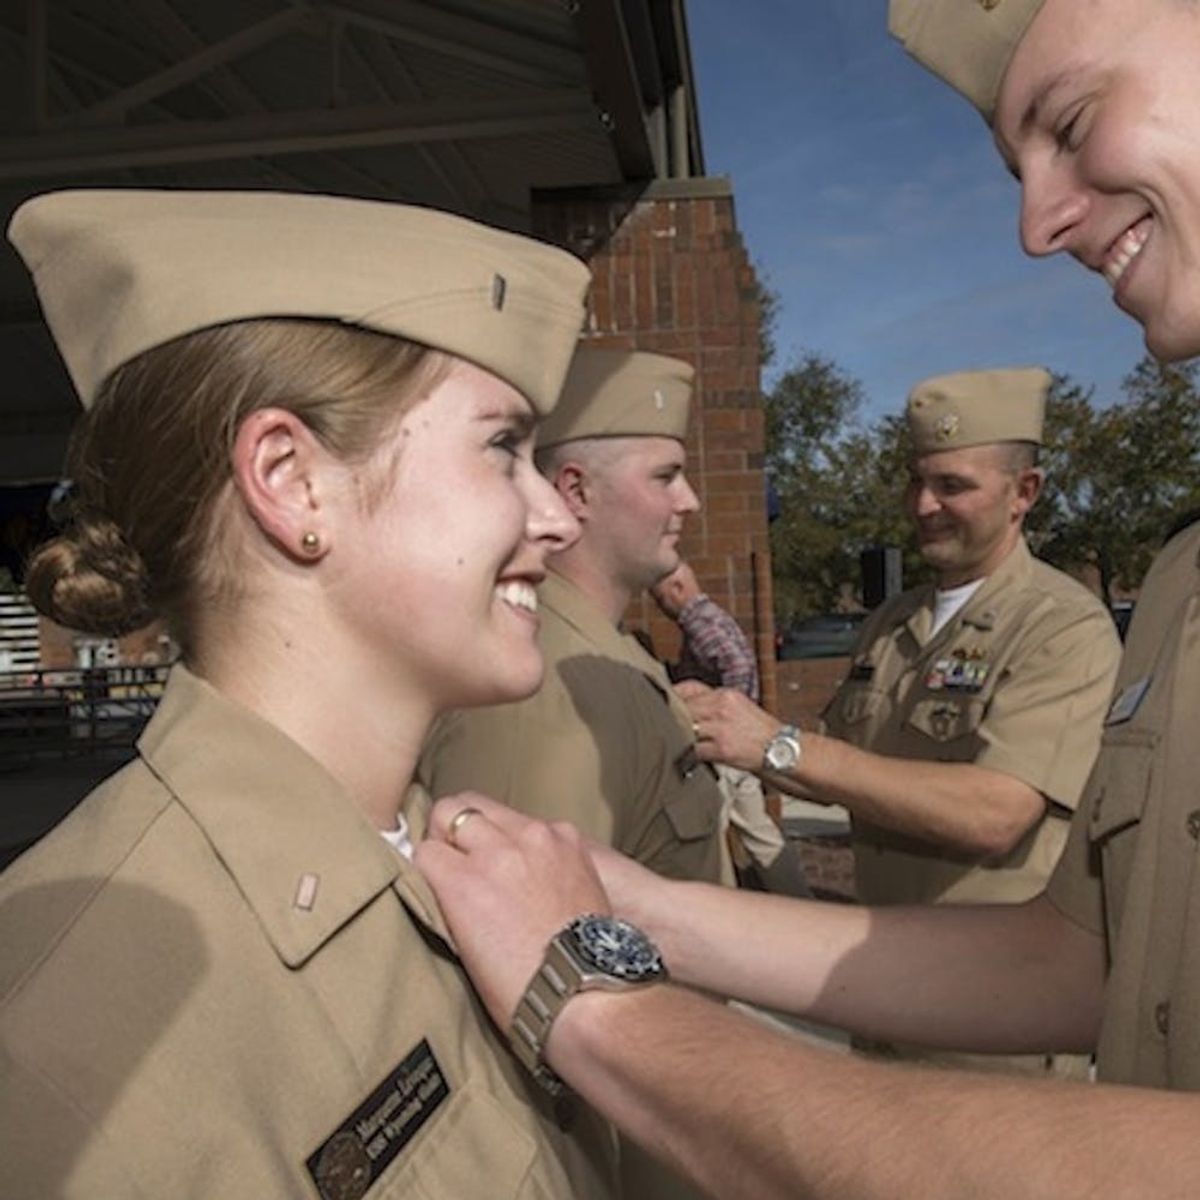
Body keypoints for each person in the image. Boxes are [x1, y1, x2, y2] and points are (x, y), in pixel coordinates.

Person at [409, 2, 1200, 1196]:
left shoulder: (1071, 620)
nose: (1036, 224)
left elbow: (995, 825)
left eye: (1075, 120)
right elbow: (1084, 956)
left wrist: (605, 1006)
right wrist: (631, 907)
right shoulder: (1183, 577)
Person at [0, 188, 623, 1199]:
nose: (556, 517)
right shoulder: (63, 1037)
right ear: (291, 481)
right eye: (504, 446)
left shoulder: (457, 863)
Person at [683, 367, 1121, 1073]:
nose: (924, 505)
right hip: (888, 999)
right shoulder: (894, 621)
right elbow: (837, 765)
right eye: (917, 481)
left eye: (953, 486)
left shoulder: (1062, 628)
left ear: (1024, 493)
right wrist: (726, 731)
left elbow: (996, 812)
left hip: (993, 1023)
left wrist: (779, 746)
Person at [420, 347, 726, 885]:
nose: (689, 500)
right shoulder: (540, 685)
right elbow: (533, 941)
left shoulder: (599, 649)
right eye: (665, 477)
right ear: (576, 490)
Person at [650, 561, 811, 899]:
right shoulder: (712, 618)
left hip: (720, 747)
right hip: (736, 747)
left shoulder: (699, 621)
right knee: (760, 834)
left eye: (659, 595)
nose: (657, 604)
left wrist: (719, 703)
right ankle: (800, 900)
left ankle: (719, 905)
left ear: (677, 589)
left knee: (708, 834)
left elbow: (735, 664)